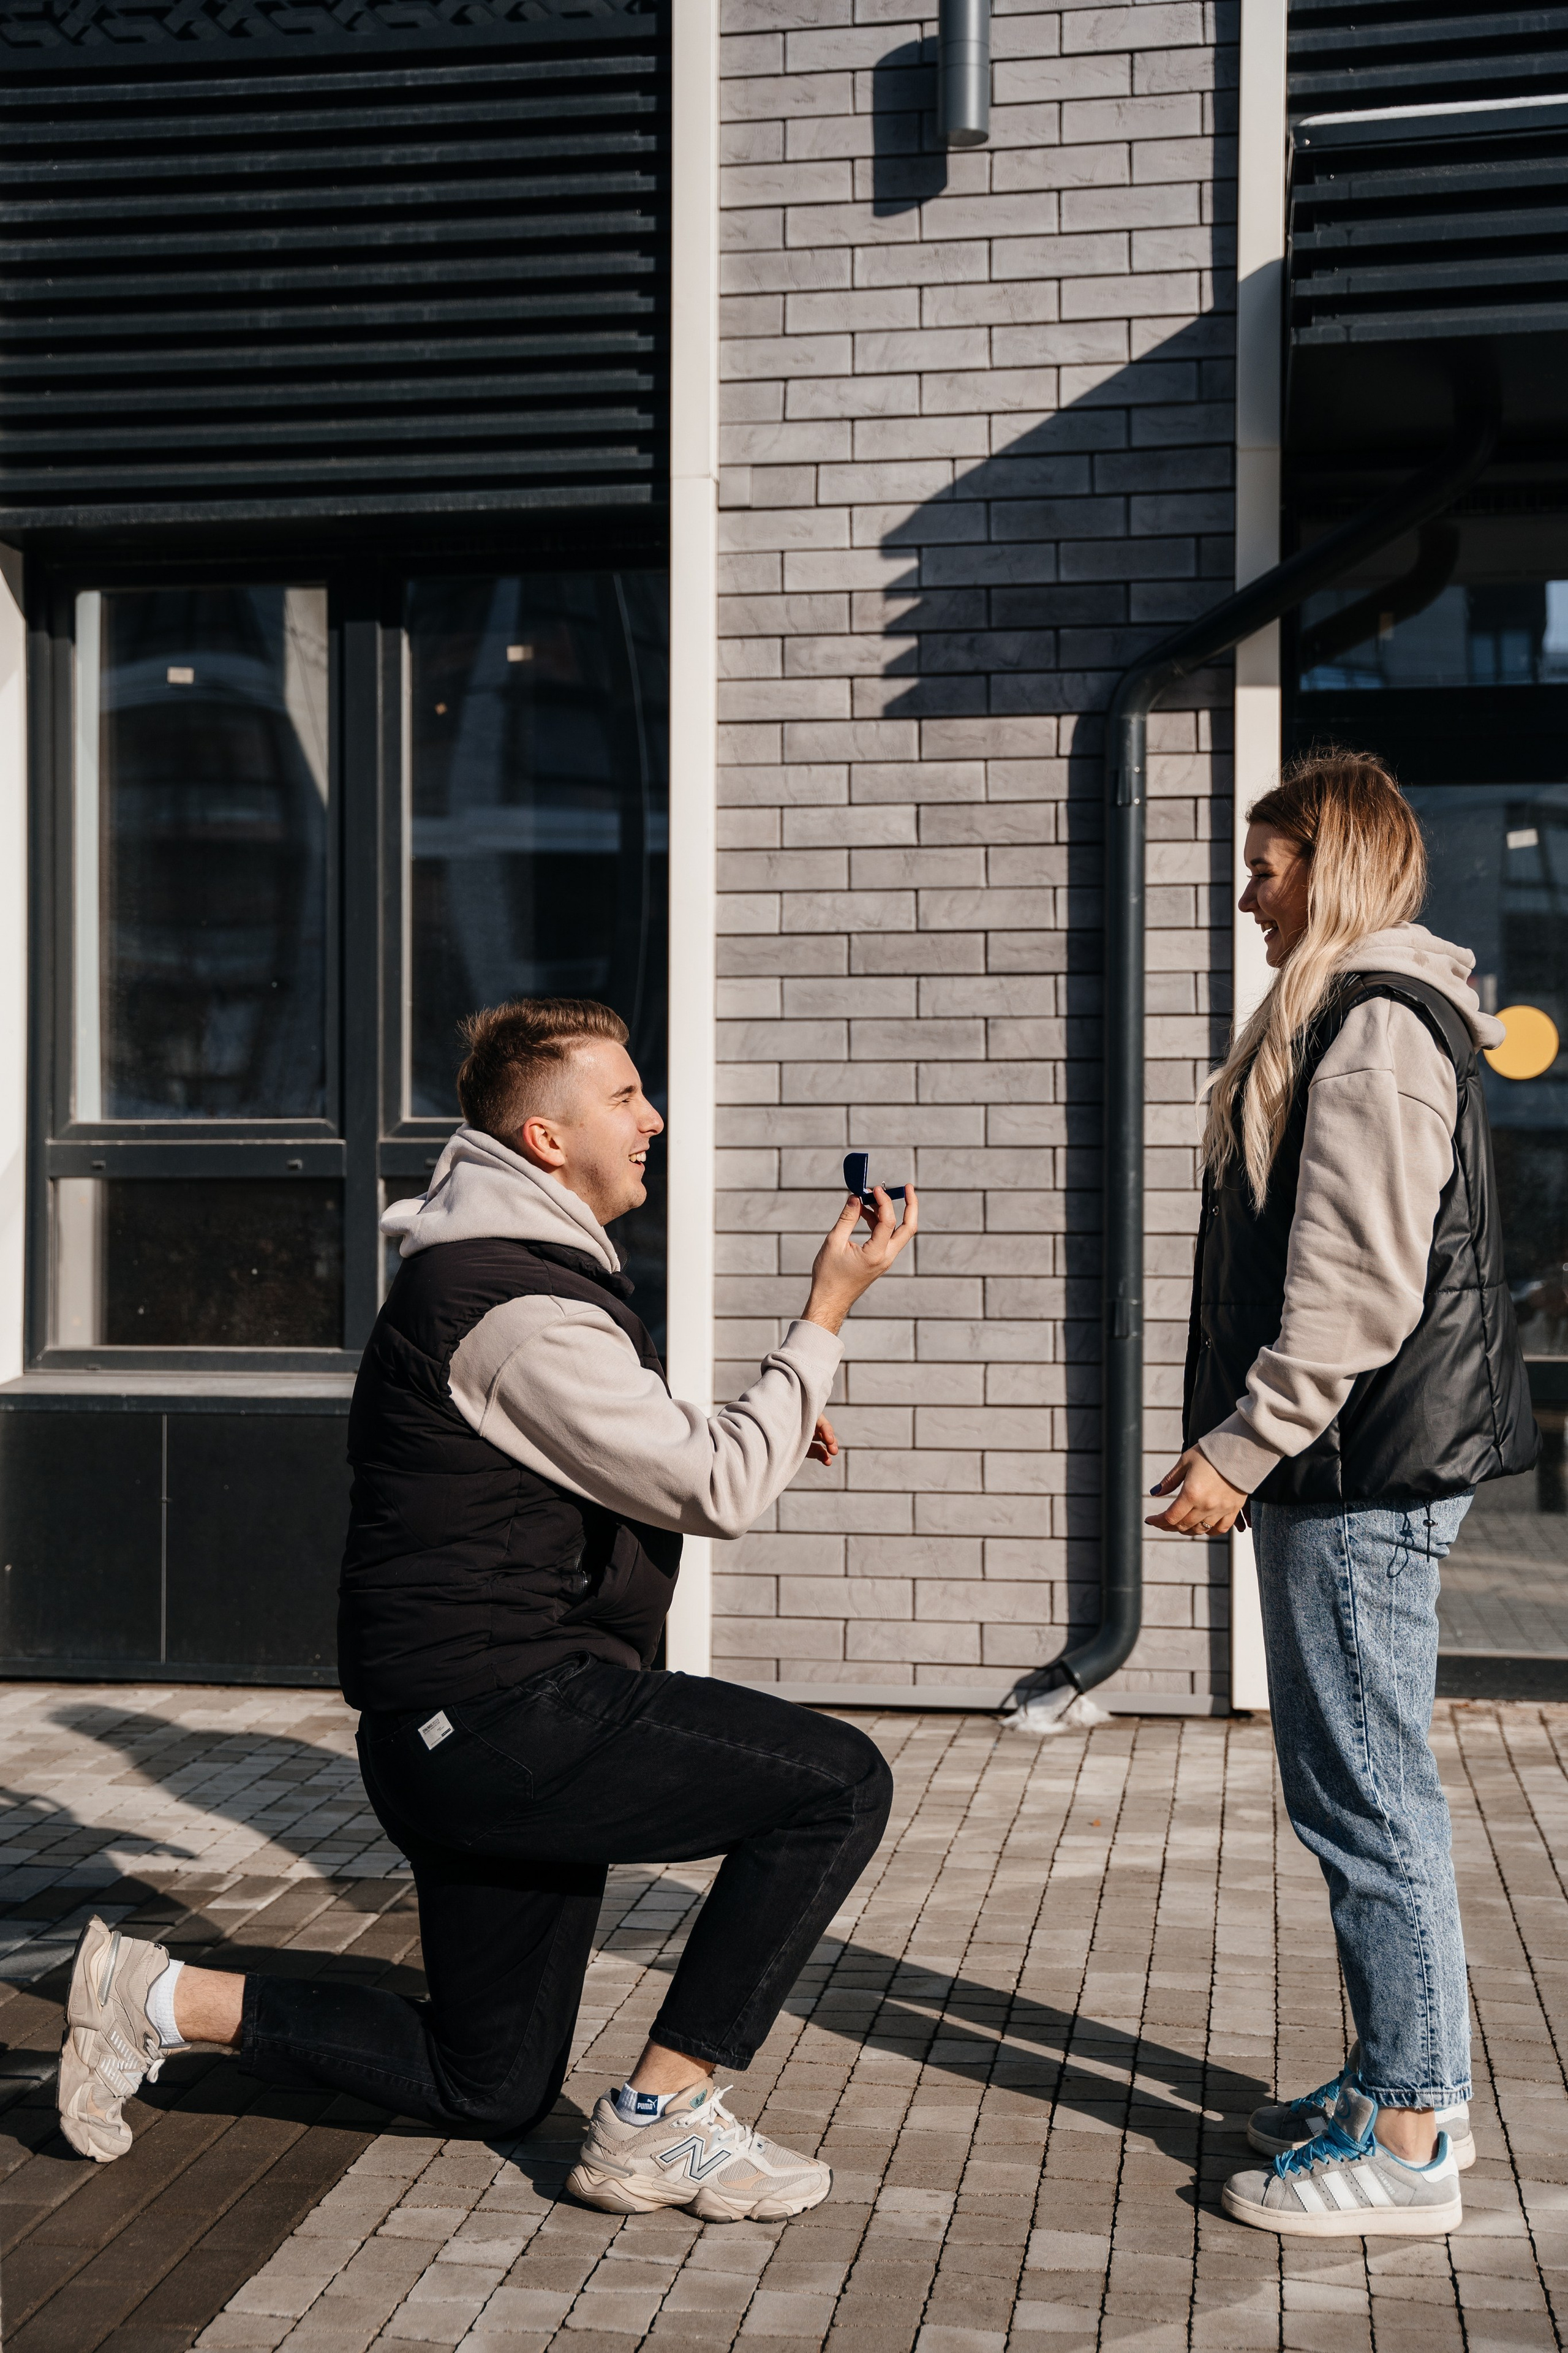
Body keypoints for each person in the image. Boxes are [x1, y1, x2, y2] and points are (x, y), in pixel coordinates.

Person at [58, 997, 917, 2221]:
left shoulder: (511, 1283)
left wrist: (760, 1417)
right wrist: (824, 1313)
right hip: (505, 1712)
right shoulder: (510, 1306)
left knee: (490, 2080)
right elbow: (713, 1484)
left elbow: (650, 1449)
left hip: (460, 1732)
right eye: (623, 1095)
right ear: (546, 1137)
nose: (652, 1116)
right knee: (835, 1783)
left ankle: (147, 1997)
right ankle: (659, 2119)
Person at [1150, 753, 1536, 2240]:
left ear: (1334, 864)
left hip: (1355, 1471)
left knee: (1369, 1802)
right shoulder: (1359, 1013)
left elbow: (1353, 1288)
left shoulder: (1372, 1026)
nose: (1246, 895)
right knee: (1354, 1794)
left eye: (1265, 866)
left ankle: (1416, 2138)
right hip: (1351, 1468)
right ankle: (1391, 2077)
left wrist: (1242, 1444)